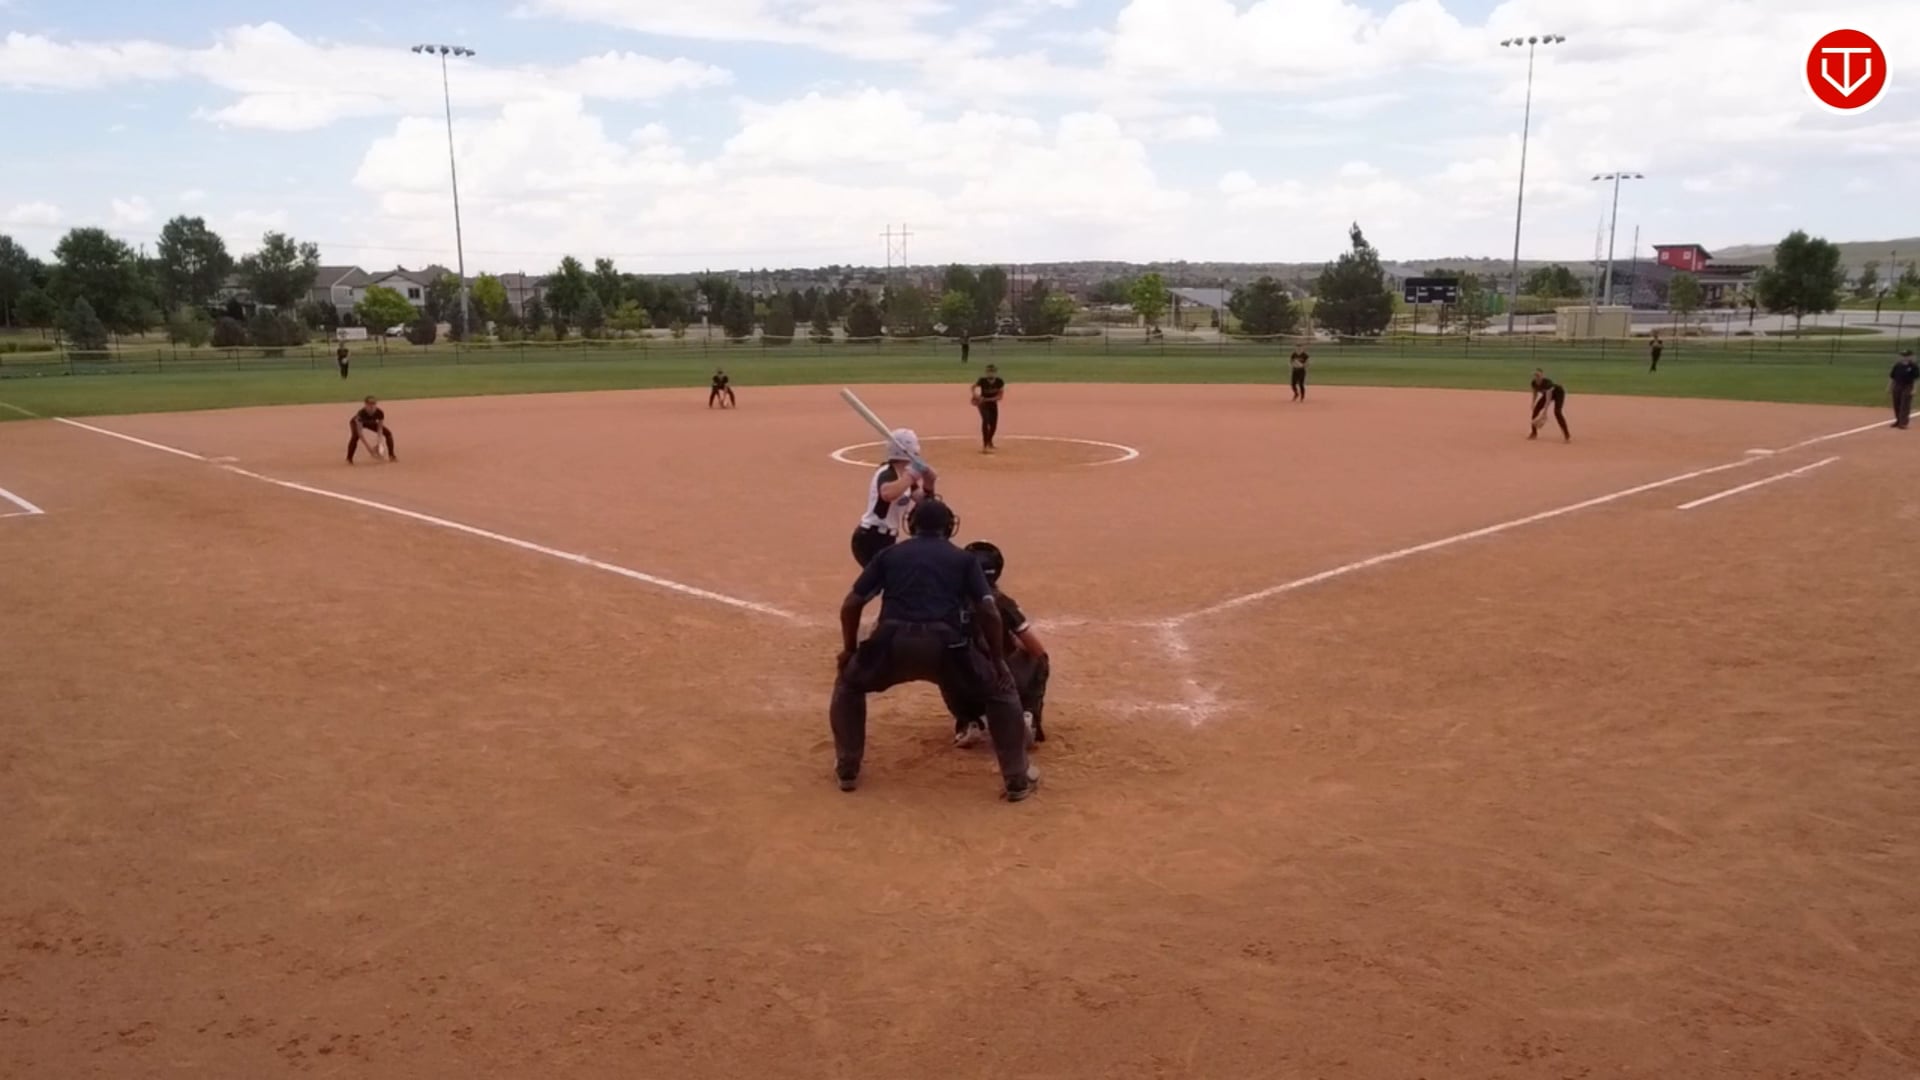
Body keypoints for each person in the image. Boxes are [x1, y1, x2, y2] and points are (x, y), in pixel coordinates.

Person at [829, 499, 1039, 801]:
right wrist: (996, 661)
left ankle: (847, 769)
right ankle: (1017, 779)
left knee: (849, 684)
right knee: (1000, 692)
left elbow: (852, 604)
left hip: (892, 643)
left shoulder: (889, 555)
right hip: (947, 648)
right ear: (949, 527)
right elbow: (989, 612)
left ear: (911, 525)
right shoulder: (963, 560)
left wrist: (849, 650)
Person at [944, 541, 1051, 748]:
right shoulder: (1003, 602)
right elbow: (1036, 649)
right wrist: (1013, 643)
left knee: (946, 661)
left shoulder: (951, 603)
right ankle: (1028, 715)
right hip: (1004, 682)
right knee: (1040, 659)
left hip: (968, 685)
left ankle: (969, 721)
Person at [850, 428, 935, 567]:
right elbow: (887, 494)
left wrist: (929, 482)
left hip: (887, 538)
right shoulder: (887, 472)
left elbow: (922, 500)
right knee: (884, 577)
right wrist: (911, 476)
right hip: (871, 537)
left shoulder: (903, 476)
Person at [348, 395, 395, 464]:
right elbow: (360, 434)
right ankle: (349, 458)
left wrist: (379, 443)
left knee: (388, 433)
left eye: (373, 404)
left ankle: (391, 455)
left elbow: (380, 429)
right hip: (355, 423)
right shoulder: (361, 413)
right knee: (355, 436)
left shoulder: (380, 412)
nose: (372, 406)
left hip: (369, 422)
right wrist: (369, 449)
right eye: (369, 404)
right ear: (365, 405)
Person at [971, 364, 1005, 453]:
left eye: (992, 371)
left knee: (993, 425)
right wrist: (975, 395)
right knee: (985, 421)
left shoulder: (999, 382)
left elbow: (1000, 397)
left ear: (995, 372)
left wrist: (986, 399)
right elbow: (973, 387)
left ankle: (989, 441)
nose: (990, 373)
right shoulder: (982, 380)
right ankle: (985, 446)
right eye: (988, 372)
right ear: (986, 372)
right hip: (983, 405)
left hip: (992, 404)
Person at [1528, 369, 1570, 442]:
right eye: (1535, 375)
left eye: (1538, 375)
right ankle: (1533, 433)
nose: (1537, 377)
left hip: (1558, 393)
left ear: (1542, 376)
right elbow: (1535, 393)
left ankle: (1567, 435)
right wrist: (1533, 403)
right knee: (1536, 410)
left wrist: (1545, 411)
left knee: (1557, 412)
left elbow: (1548, 398)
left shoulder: (1547, 383)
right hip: (1548, 395)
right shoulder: (1534, 383)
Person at [1891, 349, 1918, 430]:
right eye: (1903, 356)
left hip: (1908, 386)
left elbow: (1916, 379)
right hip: (1897, 385)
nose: (1904, 357)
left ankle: (1903, 422)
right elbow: (1893, 377)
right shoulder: (1897, 365)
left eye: (1906, 356)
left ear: (1910, 356)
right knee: (1897, 403)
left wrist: (1914, 389)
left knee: (1905, 404)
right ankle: (1898, 420)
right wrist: (1890, 387)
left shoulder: (1913, 366)